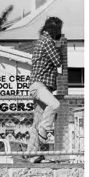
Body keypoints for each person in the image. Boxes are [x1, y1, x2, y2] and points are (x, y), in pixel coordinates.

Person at [26, 16, 63, 163]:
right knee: (55, 105)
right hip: (40, 86)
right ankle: (44, 128)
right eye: (59, 29)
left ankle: (31, 154)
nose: (60, 32)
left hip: (40, 86)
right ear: (55, 29)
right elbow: (58, 61)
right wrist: (59, 46)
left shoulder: (41, 40)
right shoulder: (48, 41)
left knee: (36, 122)